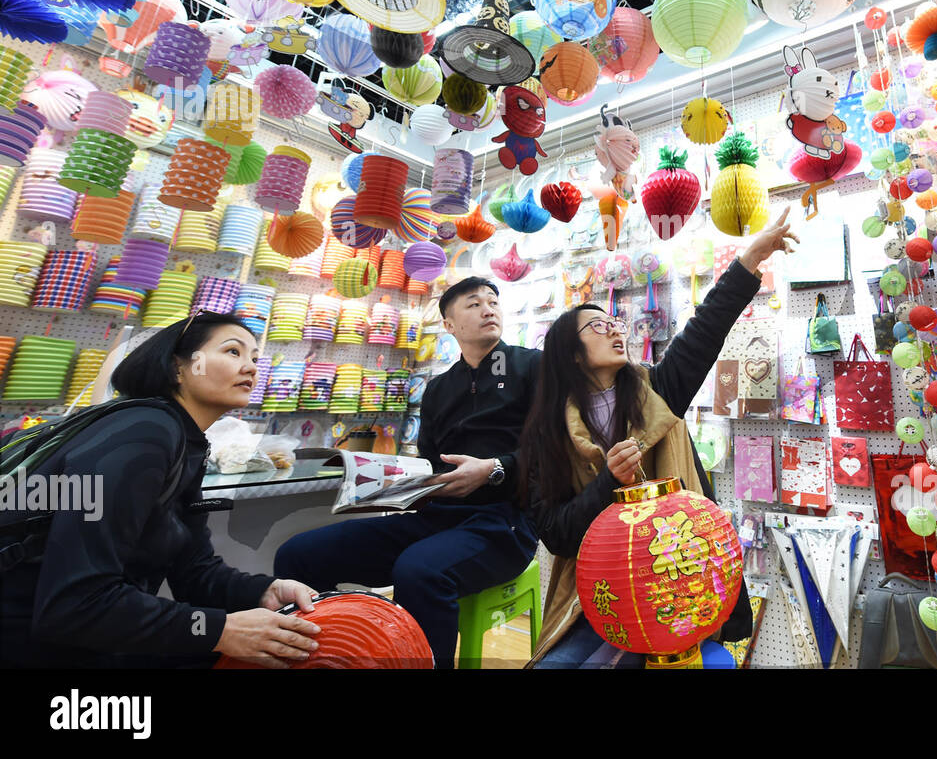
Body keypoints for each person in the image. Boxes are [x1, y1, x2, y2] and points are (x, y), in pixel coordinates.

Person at [520, 209, 799, 667]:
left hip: (677, 587)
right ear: (570, 354)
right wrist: (607, 480)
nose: (614, 328)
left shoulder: (658, 392)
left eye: (614, 322)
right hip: (598, 596)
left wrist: (750, 257)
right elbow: (556, 535)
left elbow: (705, 330)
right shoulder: (547, 436)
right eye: (597, 326)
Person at [0, 311, 321, 669]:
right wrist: (219, 630)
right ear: (177, 367)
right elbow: (75, 603)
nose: (250, 367)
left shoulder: (184, 441)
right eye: (233, 351)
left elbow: (193, 570)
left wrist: (262, 591)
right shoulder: (145, 432)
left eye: (254, 358)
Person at [275, 277, 540, 669]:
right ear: (448, 325)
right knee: (298, 555)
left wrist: (495, 470)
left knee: (419, 570)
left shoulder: (532, 366)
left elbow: (556, 450)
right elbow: (431, 466)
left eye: (493, 301)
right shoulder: (437, 390)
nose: (488, 309)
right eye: (473, 303)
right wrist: (389, 485)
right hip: (435, 519)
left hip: (505, 523)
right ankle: (330, 656)